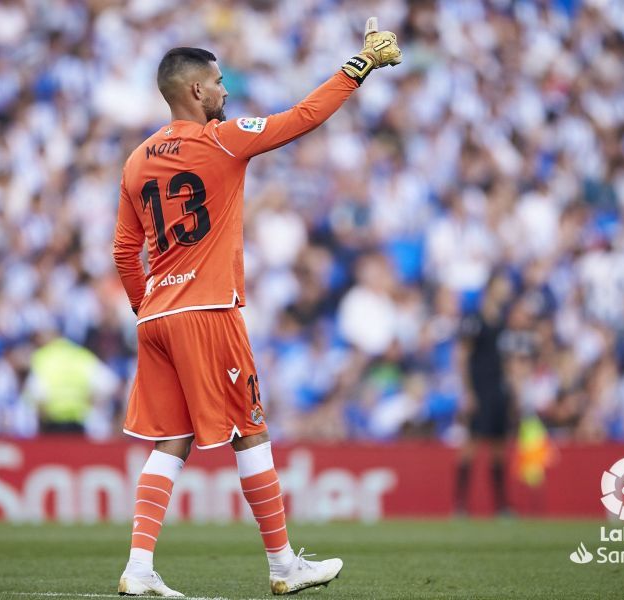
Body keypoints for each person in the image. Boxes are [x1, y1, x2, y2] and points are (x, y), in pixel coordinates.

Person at [111, 18, 401, 598]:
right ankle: (283, 564)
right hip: (210, 310)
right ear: (195, 90)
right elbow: (302, 118)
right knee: (251, 430)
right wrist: (360, 65)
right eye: (217, 82)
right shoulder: (221, 137)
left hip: (158, 318)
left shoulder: (137, 159)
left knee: (172, 439)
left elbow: (124, 250)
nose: (224, 90)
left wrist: (150, 306)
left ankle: (139, 569)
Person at [454, 272, 514, 516]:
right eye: (502, 286)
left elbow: (506, 360)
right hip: (479, 389)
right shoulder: (474, 320)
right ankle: (460, 505)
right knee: (471, 445)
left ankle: (501, 506)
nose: (506, 291)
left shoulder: (501, 321)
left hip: (498, 390)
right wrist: (467, 391)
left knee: (499, 449)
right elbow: (462, 355)